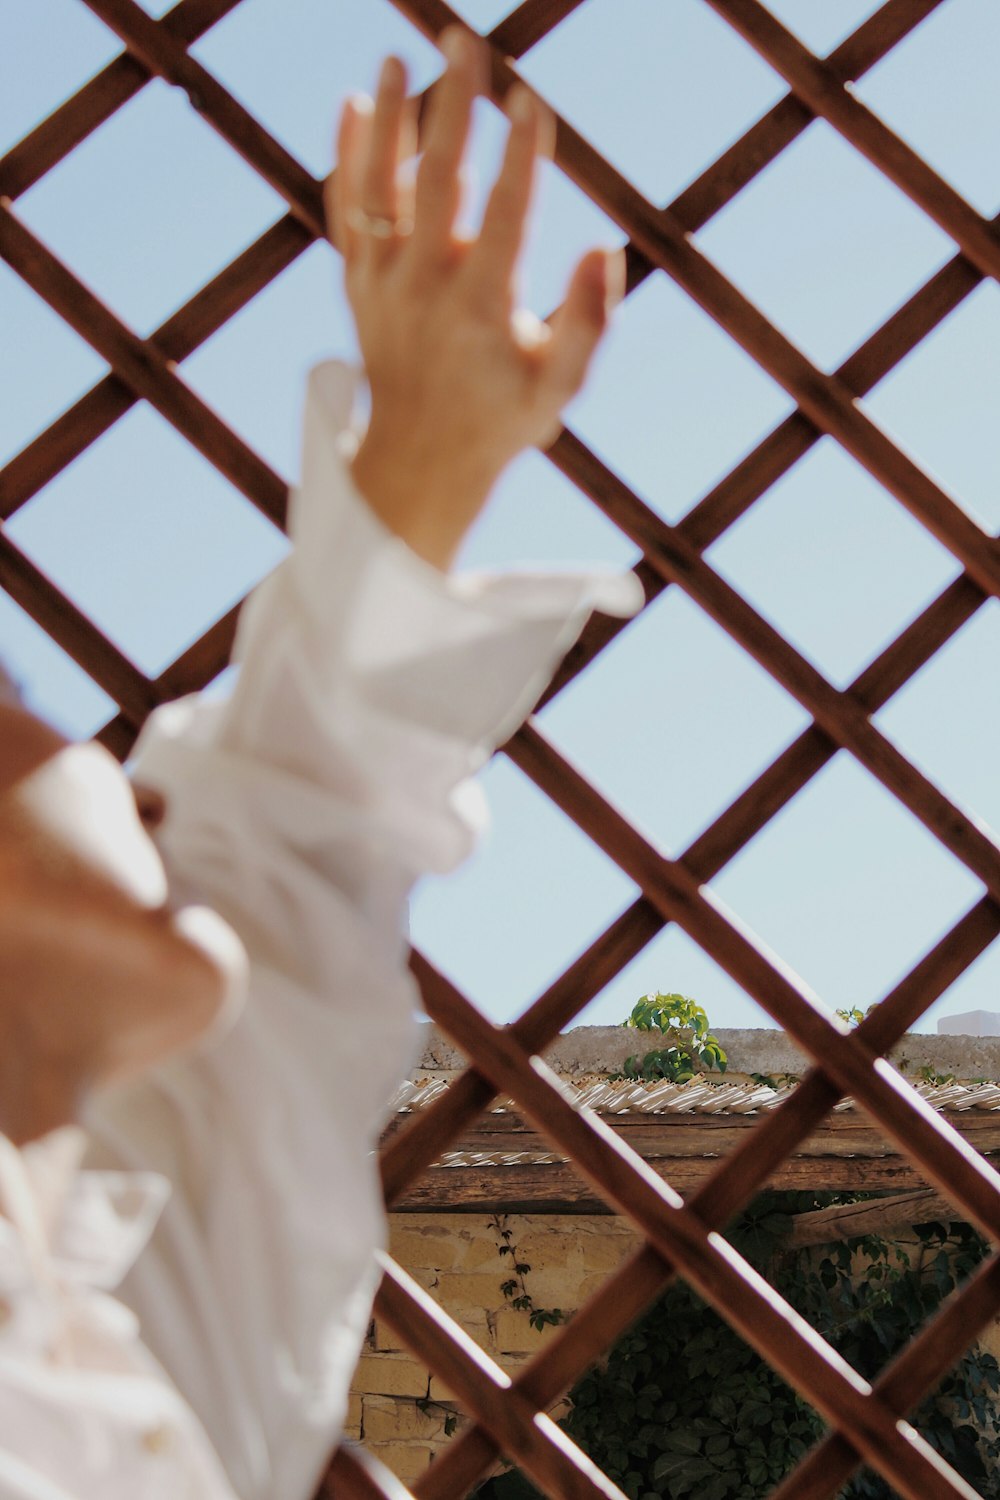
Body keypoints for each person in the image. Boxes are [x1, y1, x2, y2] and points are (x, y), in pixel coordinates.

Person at [0, 29, 640, 1500]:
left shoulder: (118, 1271)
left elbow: (288, 846)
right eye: (12, 706)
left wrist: (424, 454)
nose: (97, 759)